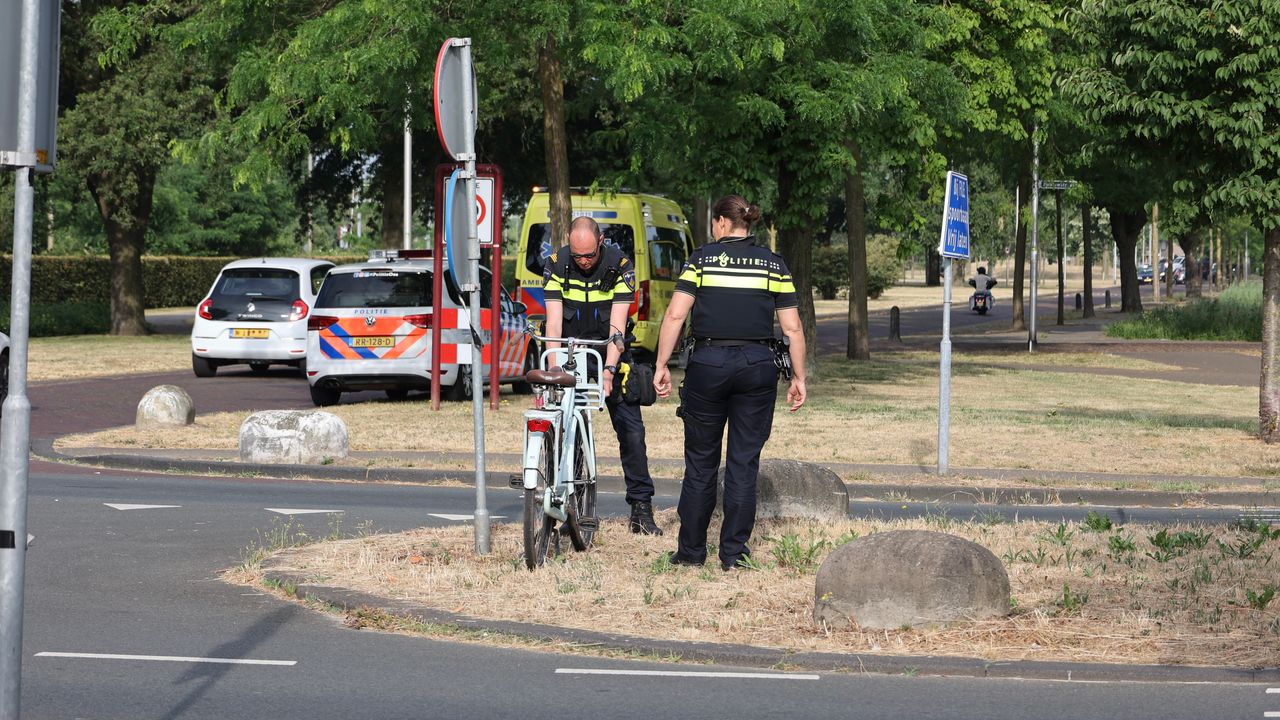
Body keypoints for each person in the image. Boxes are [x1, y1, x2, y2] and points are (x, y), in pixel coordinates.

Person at [652, 194, 806, 570]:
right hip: (757, 366)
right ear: (747, 225)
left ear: (722, 222)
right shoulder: (773, 264)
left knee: (701, 463)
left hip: (708, 364)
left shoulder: (701, 259)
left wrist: (660, 365)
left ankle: (690, 552)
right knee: (743, 463)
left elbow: (675, 317)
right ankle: (733, 554)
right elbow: (792, 327)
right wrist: (799, 377)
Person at [543, 216, 662, 535]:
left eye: (589, 255)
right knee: (565, 427)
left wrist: (610, 371)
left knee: (632, 432)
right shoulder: (555, 264)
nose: (582, 261)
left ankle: (641, 509)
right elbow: (553, 325)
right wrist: (553, 368)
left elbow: (617, 328)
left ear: (601, 241)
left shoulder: (620, 265)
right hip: (570, 355)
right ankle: (569, 504)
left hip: (610, 351)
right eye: (577, 254)